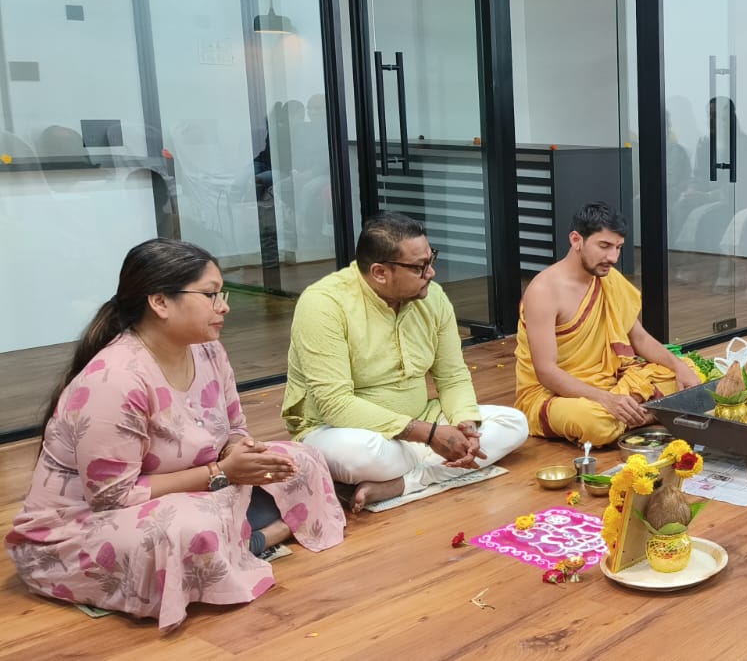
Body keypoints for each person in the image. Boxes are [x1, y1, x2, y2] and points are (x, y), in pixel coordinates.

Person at [6, 239, 345, 631]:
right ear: (160, 303)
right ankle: (251, 537)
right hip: (87, 524)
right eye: (211, 295)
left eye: (222, 293)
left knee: (300, 461)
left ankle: (238, 538)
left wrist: (244, 453)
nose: (224, 306)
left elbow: (234, 427)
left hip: (198, 486)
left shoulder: (207, 350)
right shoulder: (114, 381)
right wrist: (224, 473)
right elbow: (112, 497)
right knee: (187, 528)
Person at [283, 212, 529, 512]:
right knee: (361, 456)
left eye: (431, 259)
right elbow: (334, 404)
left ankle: (403, 483)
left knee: (514, 424)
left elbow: (452, 376)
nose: (432, 273)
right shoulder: (323, 305)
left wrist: (465, 426)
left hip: (421, 420)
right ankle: (426, 466)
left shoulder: (433, 297)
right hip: (339, 430)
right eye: (419, 267)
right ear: (379, 272)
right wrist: (428, 436)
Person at [515, 203, 701, 445]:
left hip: (611, 382)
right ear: (576, 240)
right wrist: (605, 399)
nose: (612, 258)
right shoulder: (543, 291)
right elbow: (546, 372)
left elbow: (640, 338)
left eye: (618, 248)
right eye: (604, 246)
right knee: (594, 422)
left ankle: (633, 414)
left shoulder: (608, 278)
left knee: (689, 372)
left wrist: (678, 367)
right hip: (556, 394)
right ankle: (655, 411)